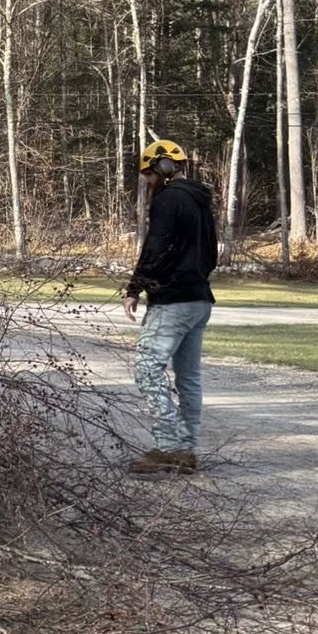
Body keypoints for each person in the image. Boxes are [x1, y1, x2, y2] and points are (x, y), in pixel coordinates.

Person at [122, 138, 218, 474]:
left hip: (172, 301)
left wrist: (135, 287)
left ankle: (168, 446)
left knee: (147, 370)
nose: (147, 181)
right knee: (188, 377)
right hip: (200, 300)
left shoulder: (168, 200)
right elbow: (212, 255)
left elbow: (156, 246)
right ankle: (187, 450)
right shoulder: (201, 201)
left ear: (163, 168)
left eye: (148, 175)